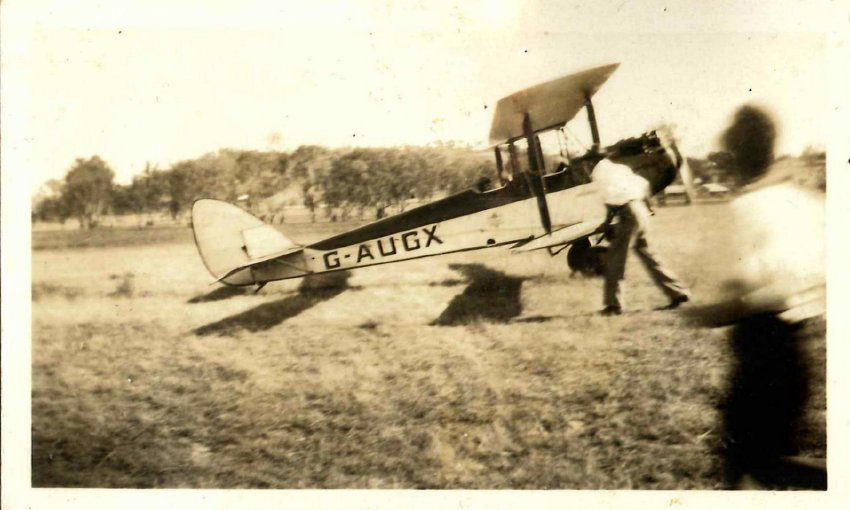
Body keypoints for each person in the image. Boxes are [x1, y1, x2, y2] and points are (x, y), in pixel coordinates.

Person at [684, 105, 826, 489]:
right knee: (762, 463)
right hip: (798, 352)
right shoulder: (806, 201)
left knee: (752, 467)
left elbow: (745, 297)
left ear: (736, 158)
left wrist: (700, 313)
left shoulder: (744, 209)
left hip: (760, 355)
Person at [592, 155, 689, 315]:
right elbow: (644, 185)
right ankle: (678, 292)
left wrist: (607, 224)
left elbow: (611, 202)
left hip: (628, 214)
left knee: (615, 260)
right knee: (649, 255)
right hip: (640, 210)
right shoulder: (620, 169)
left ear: (591, 162)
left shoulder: (600, 173)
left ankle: (613, 306)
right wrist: (647, 209)